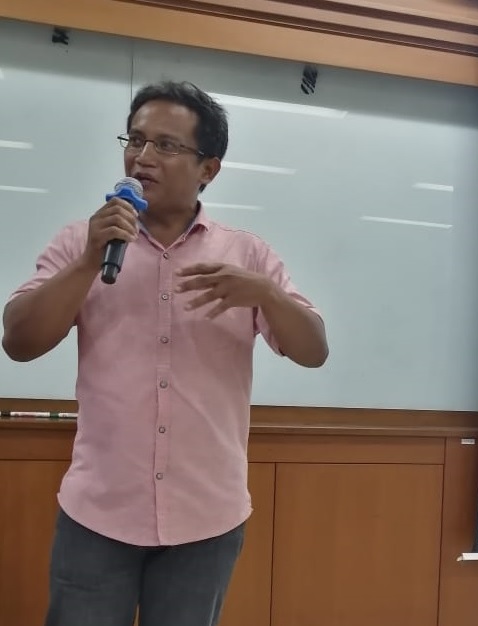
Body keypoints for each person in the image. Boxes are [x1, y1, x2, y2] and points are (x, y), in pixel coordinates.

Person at [1, 80, 328, 626]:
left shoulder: (246, 255)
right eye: (135, 140)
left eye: (167, 145)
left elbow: (314, 350)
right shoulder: (82, 242)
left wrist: (268, 295)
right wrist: (87, 262)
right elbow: (18, 341)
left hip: (205, 519)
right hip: (98, 513)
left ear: (209, 169)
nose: (143, 156)